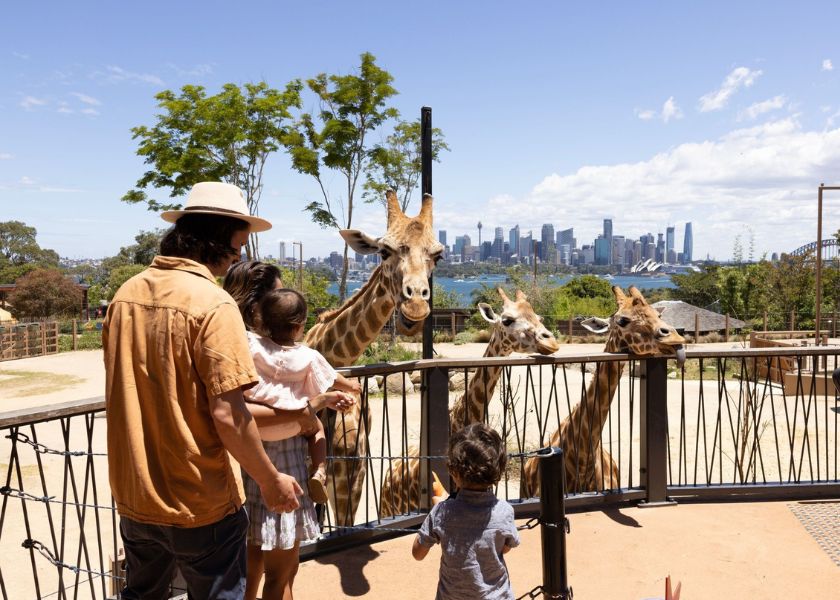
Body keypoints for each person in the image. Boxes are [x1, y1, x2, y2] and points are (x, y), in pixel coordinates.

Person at [103, 181, 310, 600]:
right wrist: (270, 481)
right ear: (215, 239)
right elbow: (228, 415)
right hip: (198, 502)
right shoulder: (213, 305)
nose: (238, 256)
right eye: (237, 246)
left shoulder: (124, 295)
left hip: (134, 494)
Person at [222, 262, 358, 600]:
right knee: (282, 574)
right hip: (286, 469)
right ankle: (321, 468)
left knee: (251, 563)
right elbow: (328, 376)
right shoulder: (306, 356)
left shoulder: (247, 347)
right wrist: (342, 389)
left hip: (250, 463)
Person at [412, 423, 520, 600]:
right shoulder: (504, 511)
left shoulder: (442, 512)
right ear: (498, 469)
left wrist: (435, 516)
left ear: (454, 471)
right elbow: (505, 549)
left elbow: (418, 553)